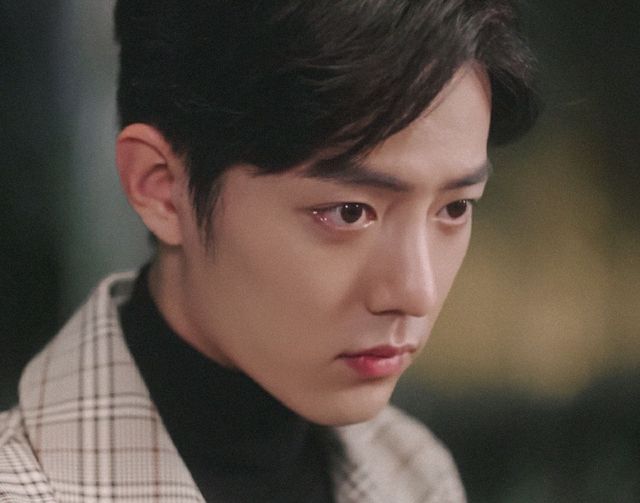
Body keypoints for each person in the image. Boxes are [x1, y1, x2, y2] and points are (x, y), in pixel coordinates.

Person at [0, 1, 537, 501]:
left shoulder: (415, 474)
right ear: (162, 188)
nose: (416, 293)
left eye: (455, 208)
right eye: (348, 212)